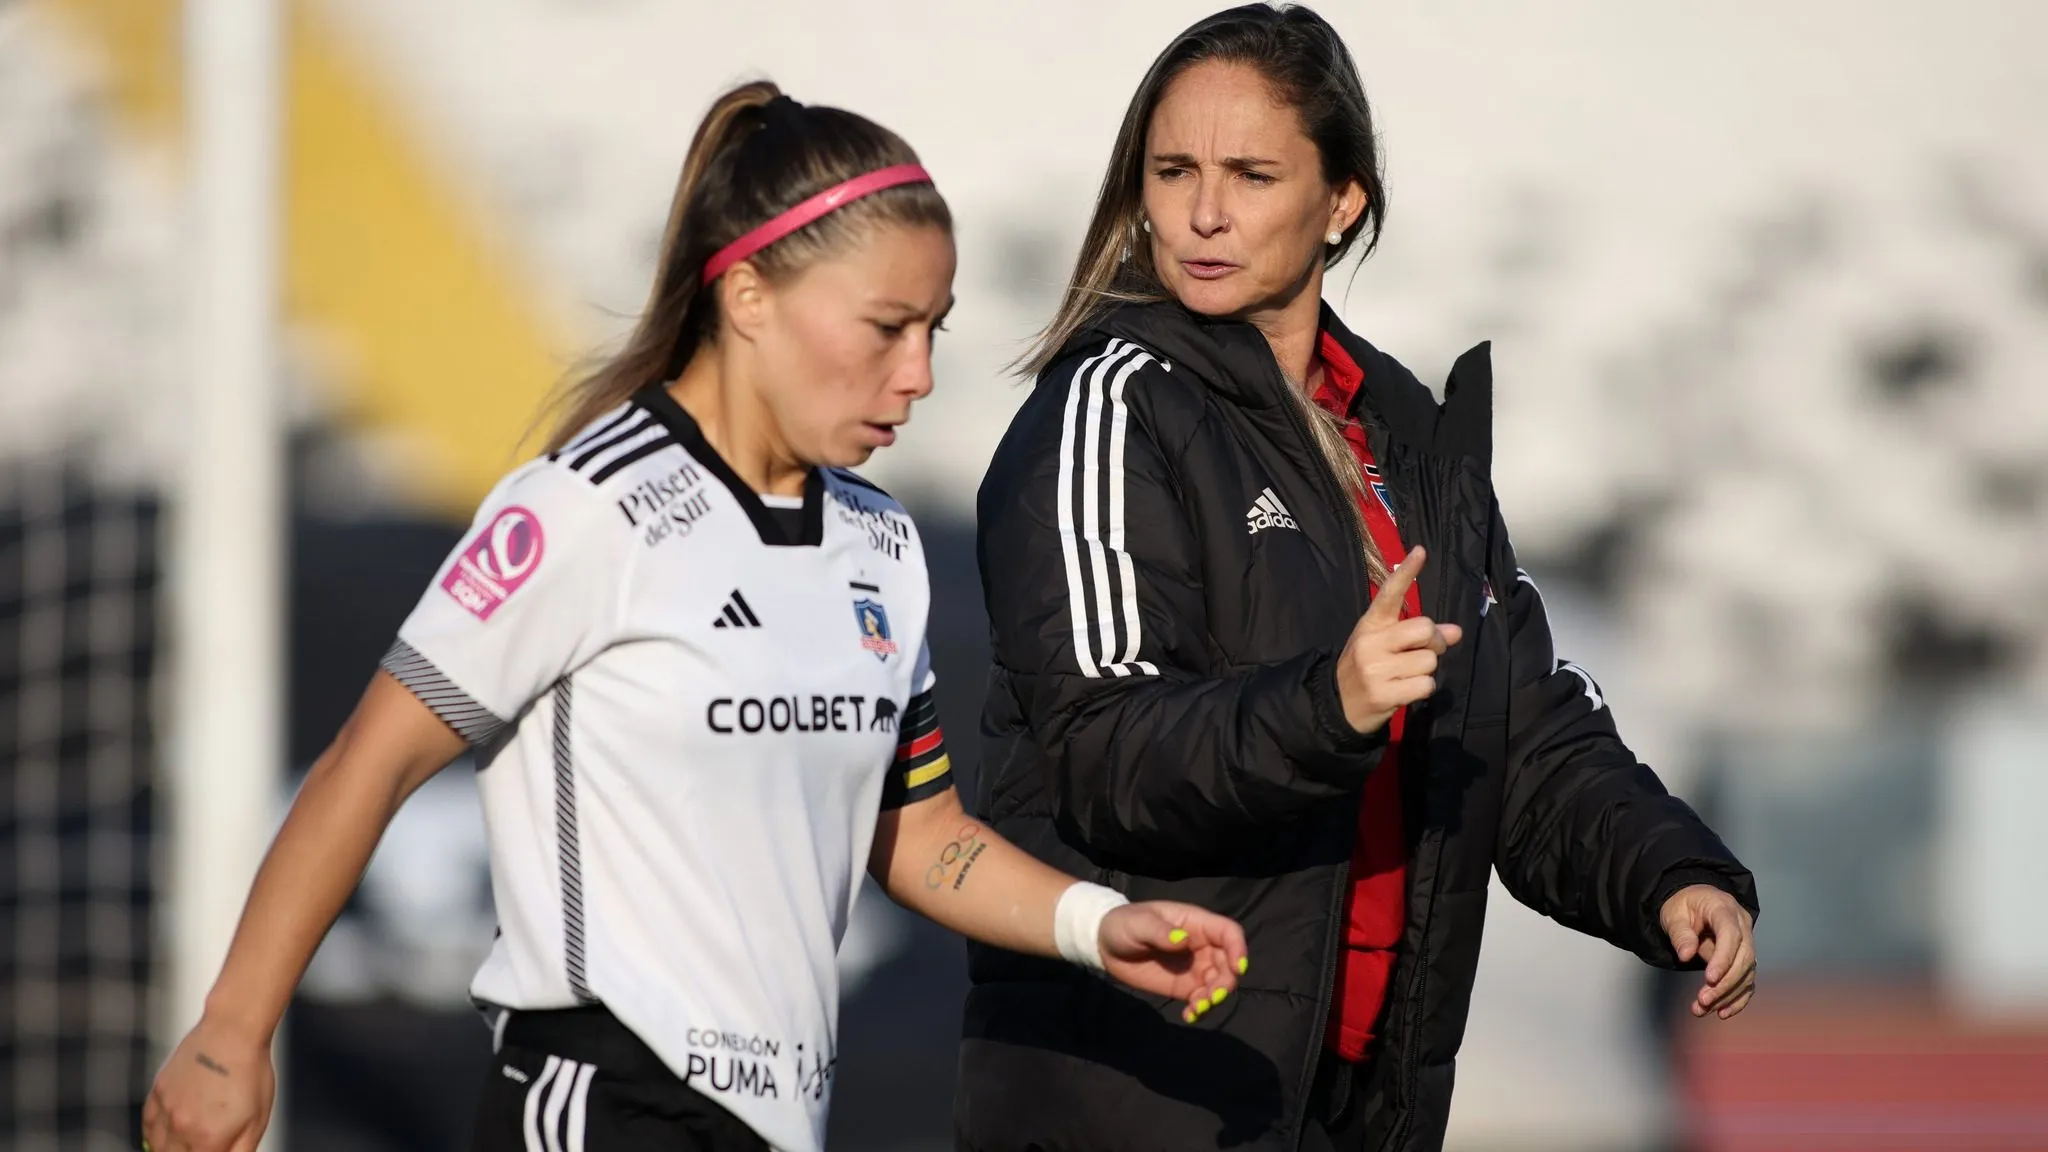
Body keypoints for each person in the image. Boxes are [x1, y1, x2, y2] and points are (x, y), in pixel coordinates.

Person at [142, 81, 1248, 1152]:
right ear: (748, 295)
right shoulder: (585, 509)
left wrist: (1093, 926)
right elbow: (363, 768)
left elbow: (917, 835)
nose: (915, 374)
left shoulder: (879, 541)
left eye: (934, 331)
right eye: (884, 326)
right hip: (598, 1102)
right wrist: (231, 1033)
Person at [958, 7, 1760, 1151]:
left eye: (1250, 173)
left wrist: (1665, 873)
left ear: (1342, 203)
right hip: (1143, 1089)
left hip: (1349, 1101)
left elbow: (1516, 728)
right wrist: (1325, 704)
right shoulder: (1109, 407)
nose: (1202, 212)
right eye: (1172, 169)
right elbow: (1100, 751)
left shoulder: (1412, 446)